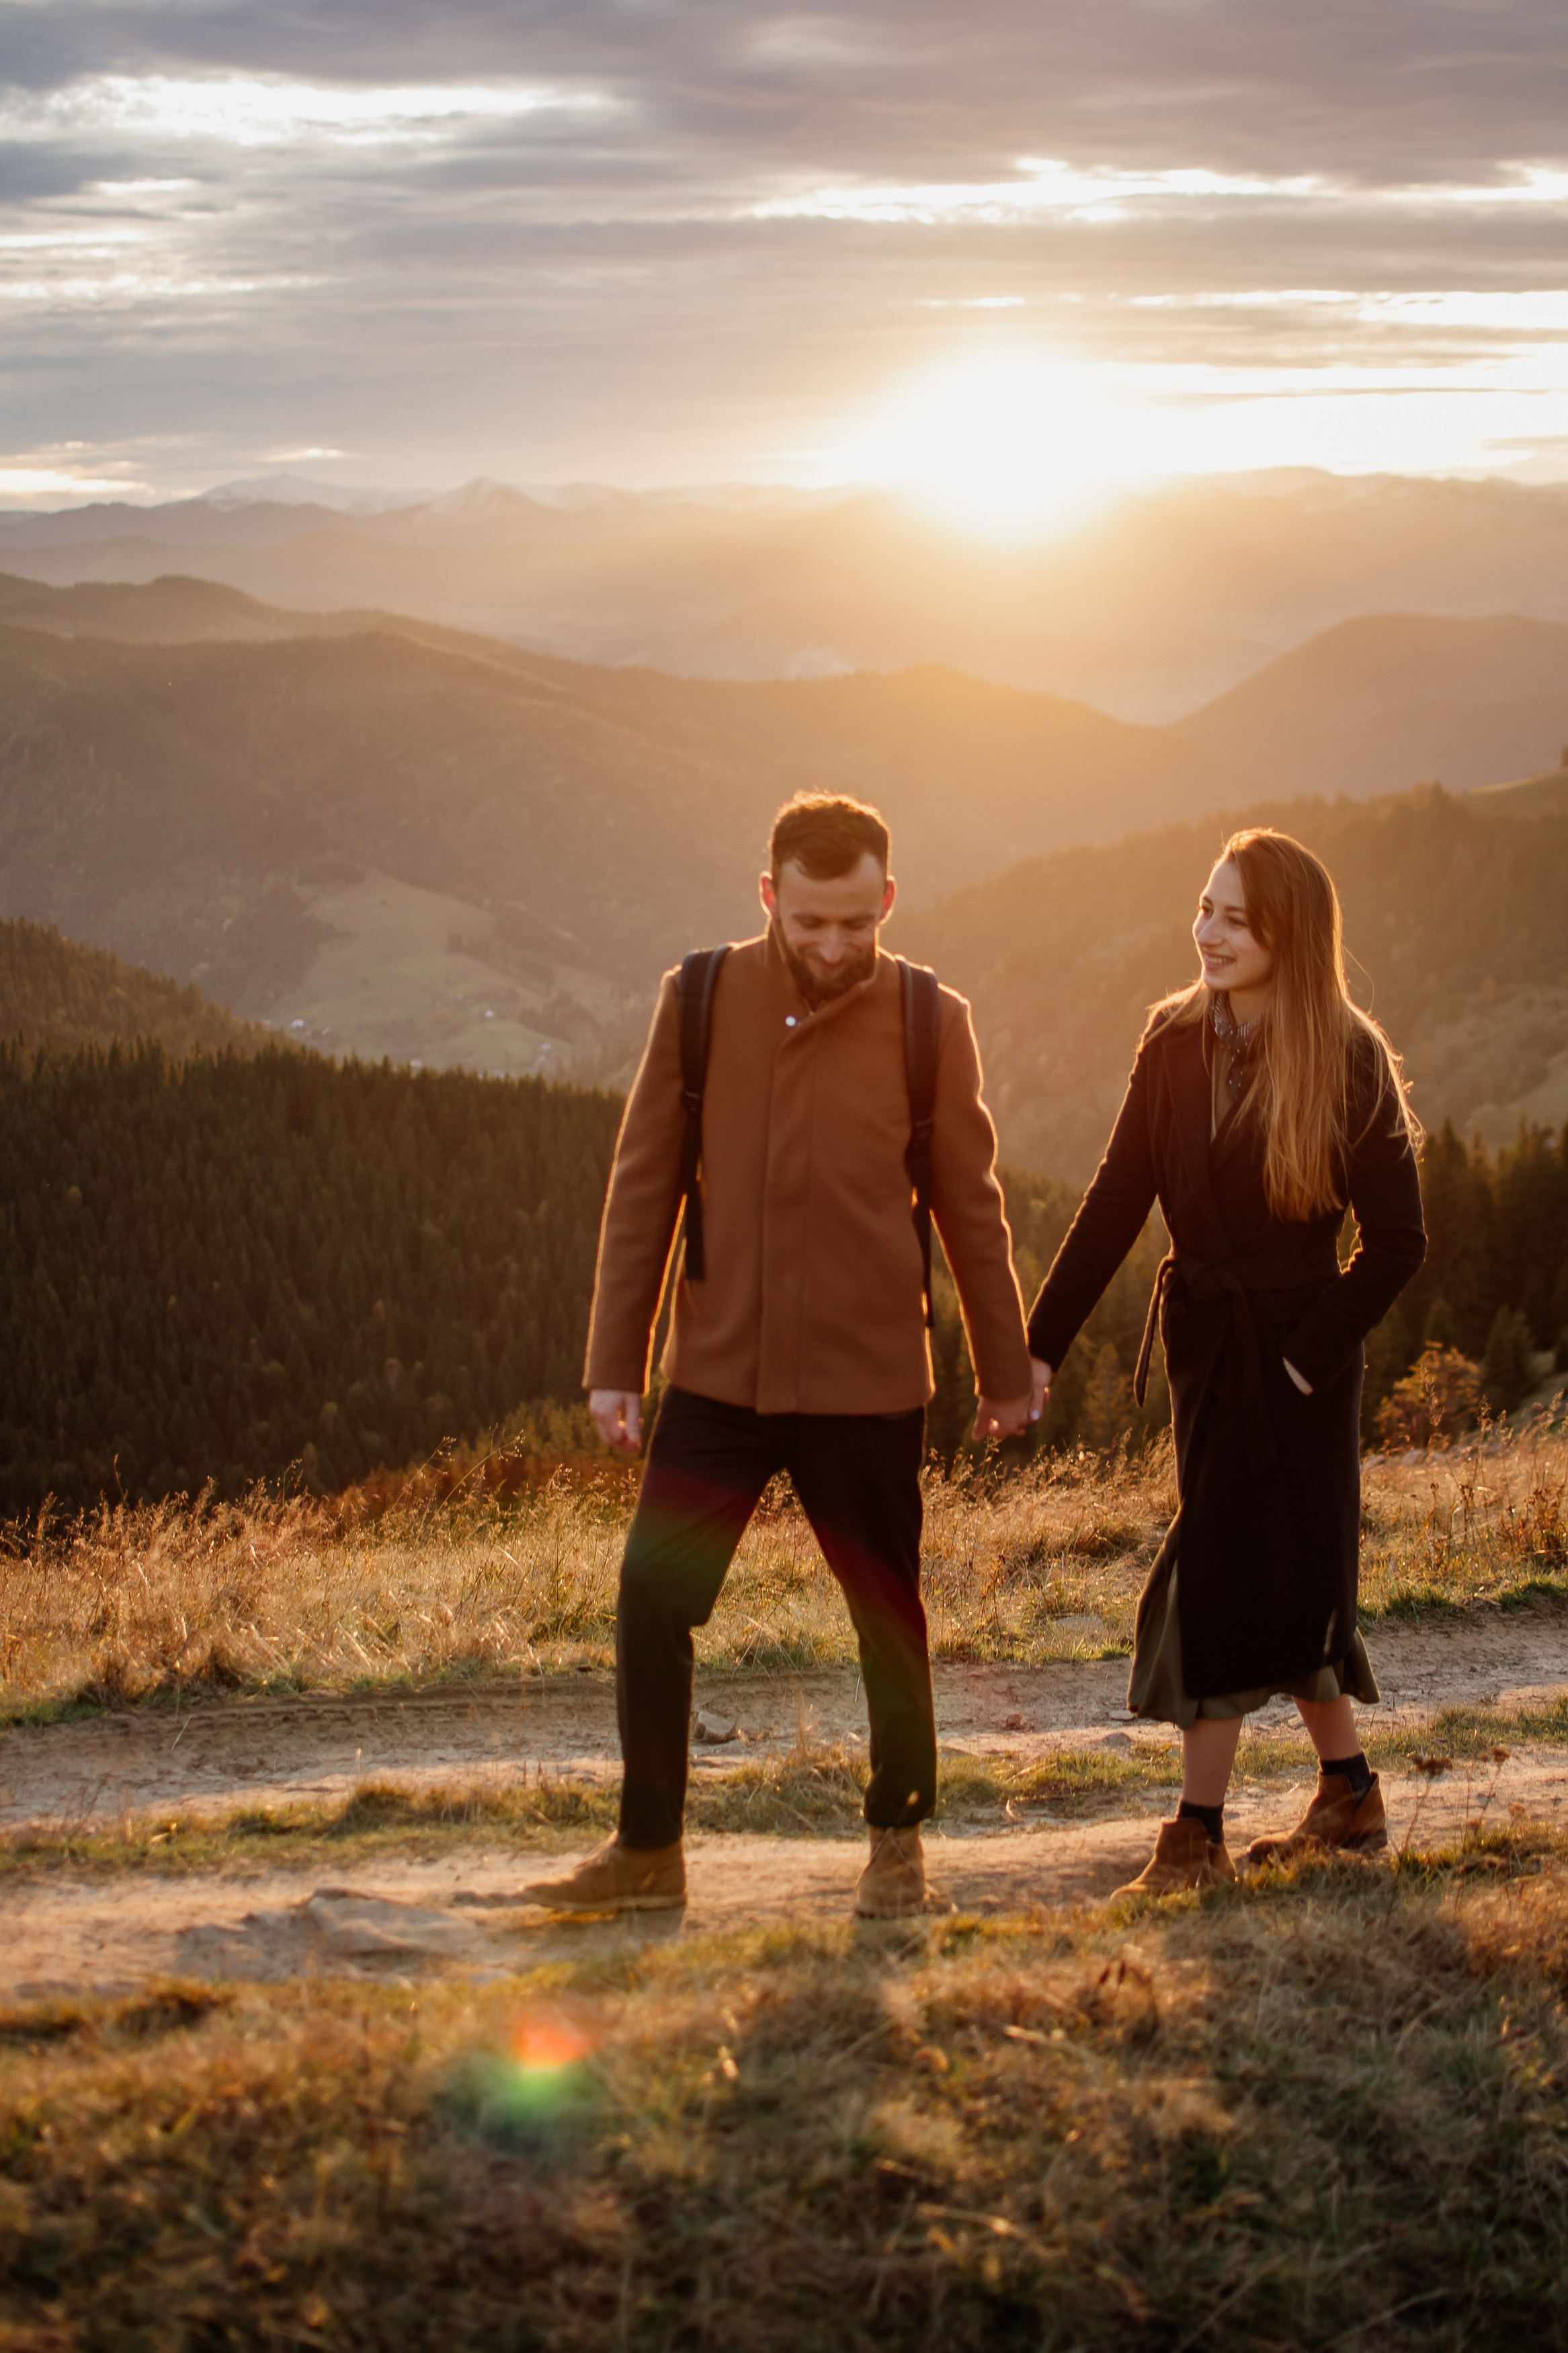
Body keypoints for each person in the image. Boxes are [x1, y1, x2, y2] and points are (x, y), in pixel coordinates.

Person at [525, 791, 1042, 1919]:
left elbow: (971, 1204)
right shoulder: (700, 998)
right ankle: (646, 1851)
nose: (832, 946)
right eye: (810, 922)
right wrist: (615, 1359)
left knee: (885, 1616)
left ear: (887, 902)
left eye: (855, 923)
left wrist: (1005, 1370)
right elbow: (643, 1185)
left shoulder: (928, 1019)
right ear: (769, 897)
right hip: (717, 1373)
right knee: (652, 1600)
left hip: (868, 1386)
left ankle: (897, 1847)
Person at [1024, 828, 1426, 1895]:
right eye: (1203, 908)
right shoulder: (1169, 1043)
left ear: (1287, 935)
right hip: (1208, 1353)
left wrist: (1304, 1362)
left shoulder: (1348, 1058)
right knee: (1276, 1582)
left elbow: (1396, 1245)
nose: (1208, 933)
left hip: (1298, 1366)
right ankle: (1349, 1794)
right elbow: (1115, 1203)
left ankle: (1193, 1839)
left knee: (1227, 1580)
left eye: (1235, 918)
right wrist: (1035, 1348)